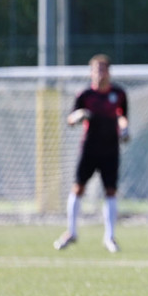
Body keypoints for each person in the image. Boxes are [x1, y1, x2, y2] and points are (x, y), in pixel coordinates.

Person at [54, 53, 130, 254]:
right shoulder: (84, 95)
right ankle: (71, 232)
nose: (99, 73)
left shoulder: (119, 94)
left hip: (111, 149)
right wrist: (78, 116)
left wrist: (125, 129)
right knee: (78, 187)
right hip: (89, 149)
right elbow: (70, 120)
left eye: (103, 69)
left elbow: (123, 116)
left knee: (110, 191)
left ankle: (109, 237)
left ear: (109, 72)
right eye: (96, 69)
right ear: (91, 72)